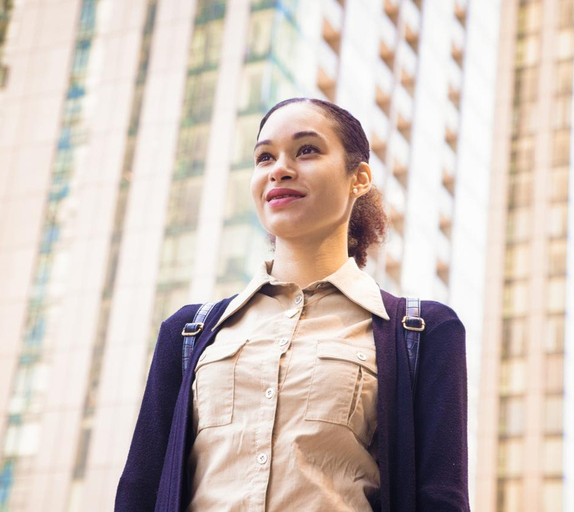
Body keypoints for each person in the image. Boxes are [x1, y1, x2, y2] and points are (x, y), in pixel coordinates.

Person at [115, 97, 469, 512]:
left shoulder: (420, 333)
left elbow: (441, 499)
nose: (279, 169)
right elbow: (139, 491)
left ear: (359, 179)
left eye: (307, 150)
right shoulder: (188, 332)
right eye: (265, 157)